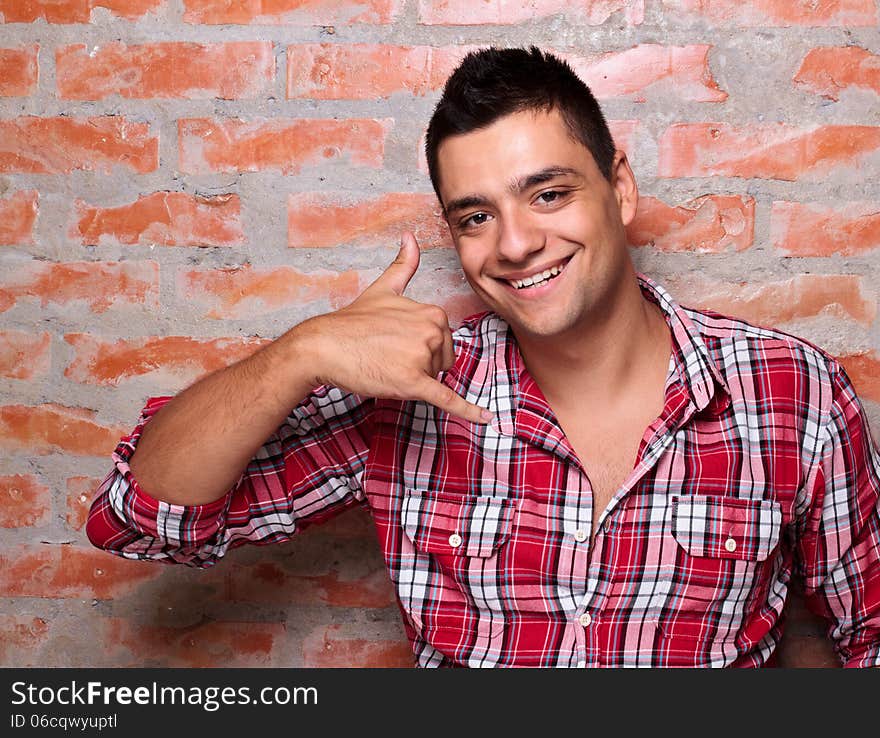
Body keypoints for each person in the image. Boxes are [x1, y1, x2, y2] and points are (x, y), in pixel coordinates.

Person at [87, 46, 880, 668]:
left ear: (621, 191)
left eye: (548, 194)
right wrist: (301, 352)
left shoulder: (791, 393)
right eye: (474, 215)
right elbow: (141, 520)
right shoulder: (409, 395)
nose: (515, 244)